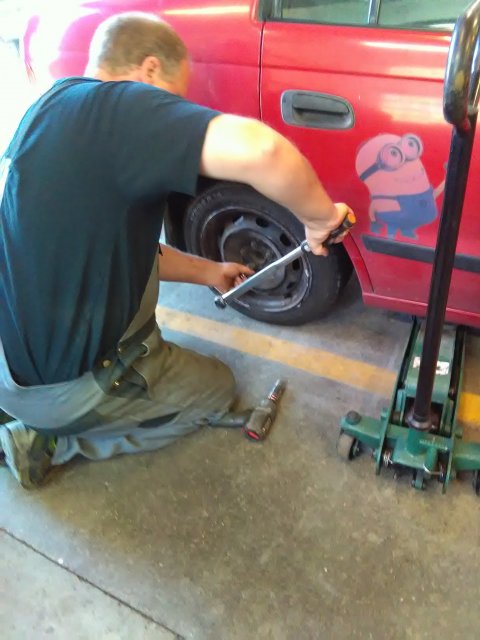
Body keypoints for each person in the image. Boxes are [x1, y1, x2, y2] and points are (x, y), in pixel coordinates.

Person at [0, 13, 353, 488]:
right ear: (148, 70)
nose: (174, 109)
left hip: (13, 360)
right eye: (174, 96)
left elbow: (122, 248)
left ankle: (34, 412)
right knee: (216, 390)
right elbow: (265, 153)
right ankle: (46, 442)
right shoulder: (120, 108)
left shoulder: (50, 108)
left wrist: (210, 271)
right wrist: (320, 219)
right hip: (63, 385)